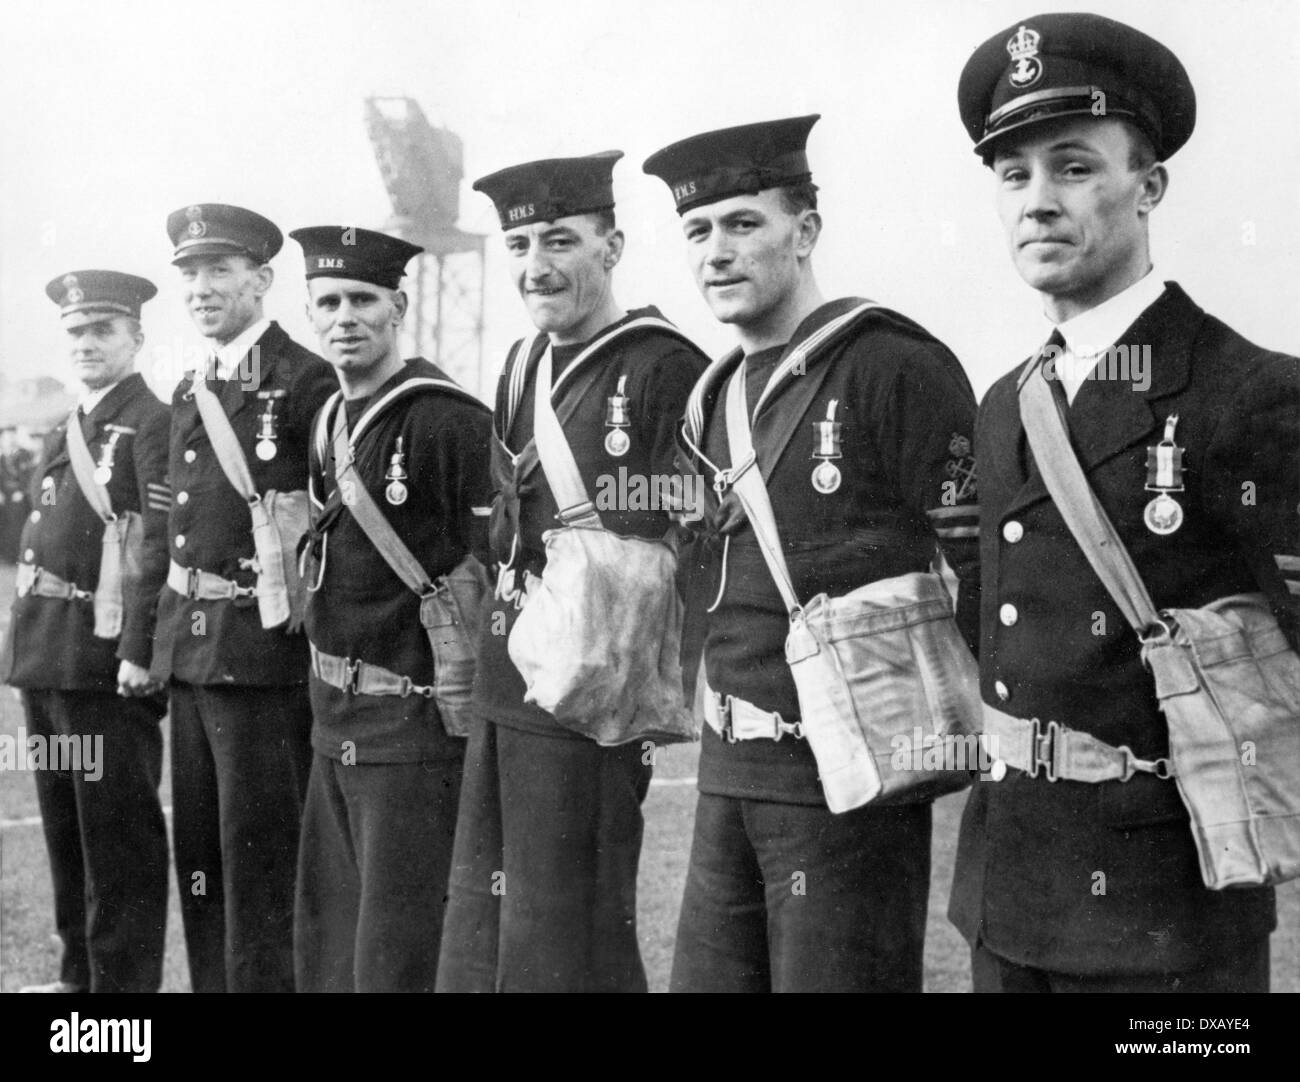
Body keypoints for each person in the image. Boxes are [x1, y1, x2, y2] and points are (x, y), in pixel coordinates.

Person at [949, 12, 1299, 992]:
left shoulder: (1247, 391)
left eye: (1072, 167)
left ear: (1148, 187)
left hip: (1167, 910)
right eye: (1012, 177)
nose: (1037, 201)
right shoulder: (1002, 403)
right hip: (1008, 891)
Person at [643, 115, 981, 992]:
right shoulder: (710, 396)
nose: (717, 251)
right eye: (698, 231)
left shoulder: (890, 365)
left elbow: (980, 570)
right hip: (726, 771)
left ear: (807, 231)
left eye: (744, 223)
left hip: (851, 780)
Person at [436, 151, 709, 992]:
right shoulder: (522, 363)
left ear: (612, 246)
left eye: (559, 241)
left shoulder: (668, 366)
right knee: (489, 925)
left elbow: (692, 548)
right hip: (508, 677)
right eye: (518, 245)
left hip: (594, 700)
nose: (535, 266)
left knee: (570, 933)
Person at [287, 225, 492, 992]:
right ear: (311, 314)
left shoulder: (449, 419)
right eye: (329, 301)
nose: (345, 316)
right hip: (333, 718)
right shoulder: (328, 421)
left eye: (363, 299)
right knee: (332, 940)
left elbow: (491, 566)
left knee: (396, 950)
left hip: (411, 731)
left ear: (398, 305)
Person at [149, 203, 336, 992]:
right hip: (193, 653)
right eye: (189, 273)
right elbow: (174, 529)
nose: (200, 287)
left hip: (264, 656)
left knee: (261, 863)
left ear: (261, 280)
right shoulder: (193, 383)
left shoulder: (304, 379)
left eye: (219, 270)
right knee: (200, 858)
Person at [2, 270, 170, 992]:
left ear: (136, 336)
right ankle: (79, 978)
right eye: (76, 332)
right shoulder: (72, 424)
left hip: (105, 667)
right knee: (67, 833)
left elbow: (161, 541)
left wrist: (139, 650)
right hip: (48, 658)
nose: (88, 344)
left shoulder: (152, 422)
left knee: (117, 840)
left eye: (103, 329)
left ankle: (121, 996)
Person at [0, 427, 35, 562]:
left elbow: (28, 476)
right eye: (6, 438)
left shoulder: (23, 455)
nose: (10, 440)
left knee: (17, 524)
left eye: (12, 437)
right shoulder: (2, 457)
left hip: (20, 495)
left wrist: (22, 491)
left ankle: (17, 555)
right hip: (6, 495)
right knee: (5, 523)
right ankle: (6, 554)